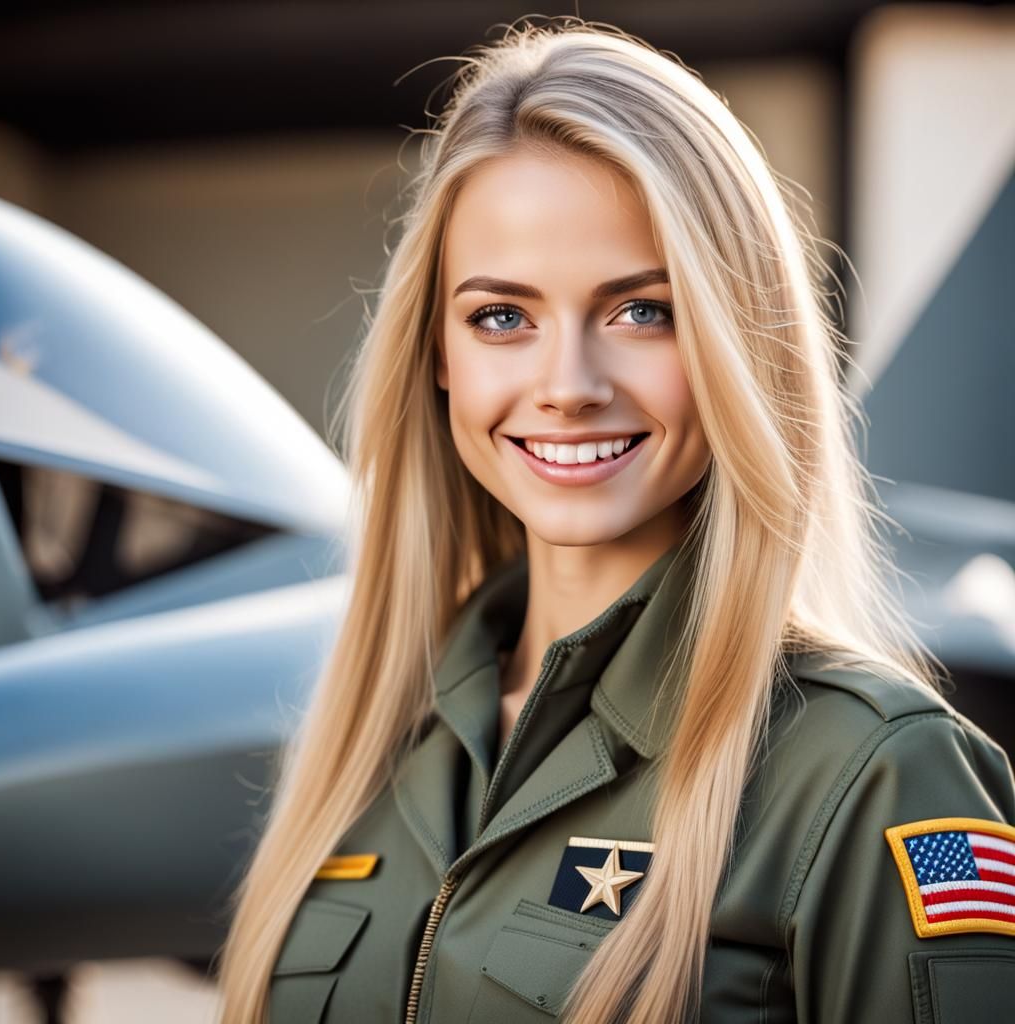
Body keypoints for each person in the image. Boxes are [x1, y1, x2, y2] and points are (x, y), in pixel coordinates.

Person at [216, 19, 1015, 1024]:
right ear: (438, 355)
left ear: (740, 341)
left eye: (642, 310)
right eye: (501, 316)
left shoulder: (875, 771)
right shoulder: (373, 744)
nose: (566, 386)